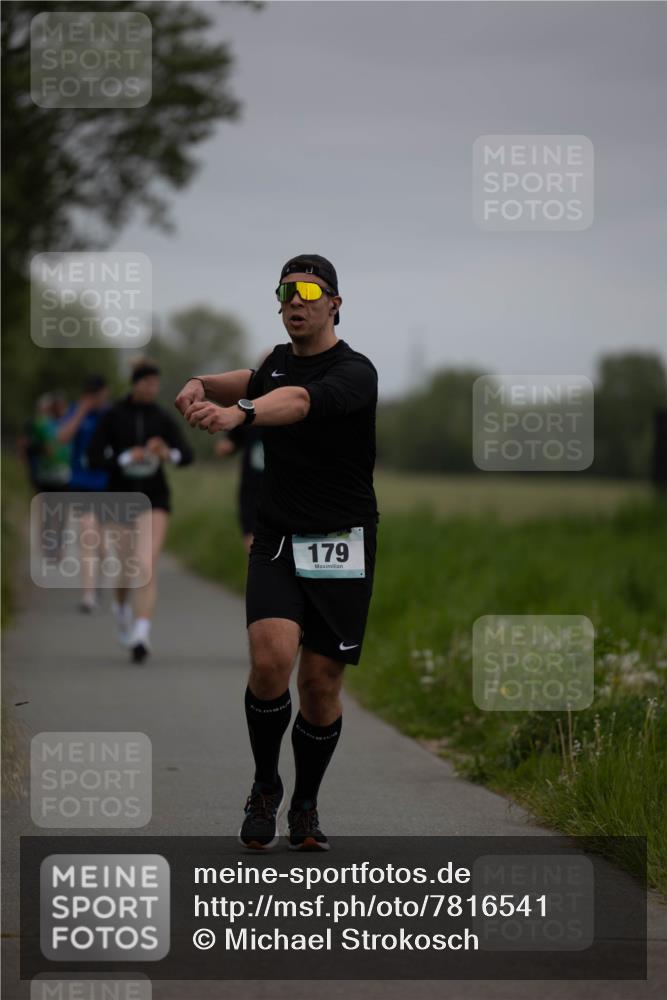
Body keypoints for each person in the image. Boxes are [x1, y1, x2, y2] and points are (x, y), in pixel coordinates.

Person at [175, 254, 379, 851]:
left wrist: (240, 413)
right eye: (287, 290)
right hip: (279, 539)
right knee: (271, 661)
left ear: (335, 302)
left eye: (310, 290)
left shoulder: (354, 373)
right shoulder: (272, 364)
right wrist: (200, 384)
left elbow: (297, 402)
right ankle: (266, 786)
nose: (296, 299)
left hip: (343, 543)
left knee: (319, 685)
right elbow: (248, 379)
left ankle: (306, 805)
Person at [88, 358, 194, 663]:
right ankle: (121, 608)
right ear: (134, 383)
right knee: (126, 568)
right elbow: (94, 458)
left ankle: (141, 634)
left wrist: (167, 454)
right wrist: (124, 458)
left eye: (155, 384)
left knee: (146, 563)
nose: (151, 389)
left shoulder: (161, 417)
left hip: (155, 499)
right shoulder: (112, 416)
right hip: (119, 499)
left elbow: (186, 456)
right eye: (146, 383)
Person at [56, 375, 111, 612]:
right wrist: (80, 412)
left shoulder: (111, 415)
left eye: (97, 394)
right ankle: (88, 595)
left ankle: (97, 581)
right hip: (81, 483)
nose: (94, 398)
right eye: (90, 394)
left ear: (105, 393)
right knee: (87, 534)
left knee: (101, 544)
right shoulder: (77, 412)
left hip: (107, 484)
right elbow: (62, 437)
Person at [215, 418, 265, 554]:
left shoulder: (289, 409)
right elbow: (232, 441)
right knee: (253, 546)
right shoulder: (247, 411)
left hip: (283, 492)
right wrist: (226, 446)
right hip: (251, 490)